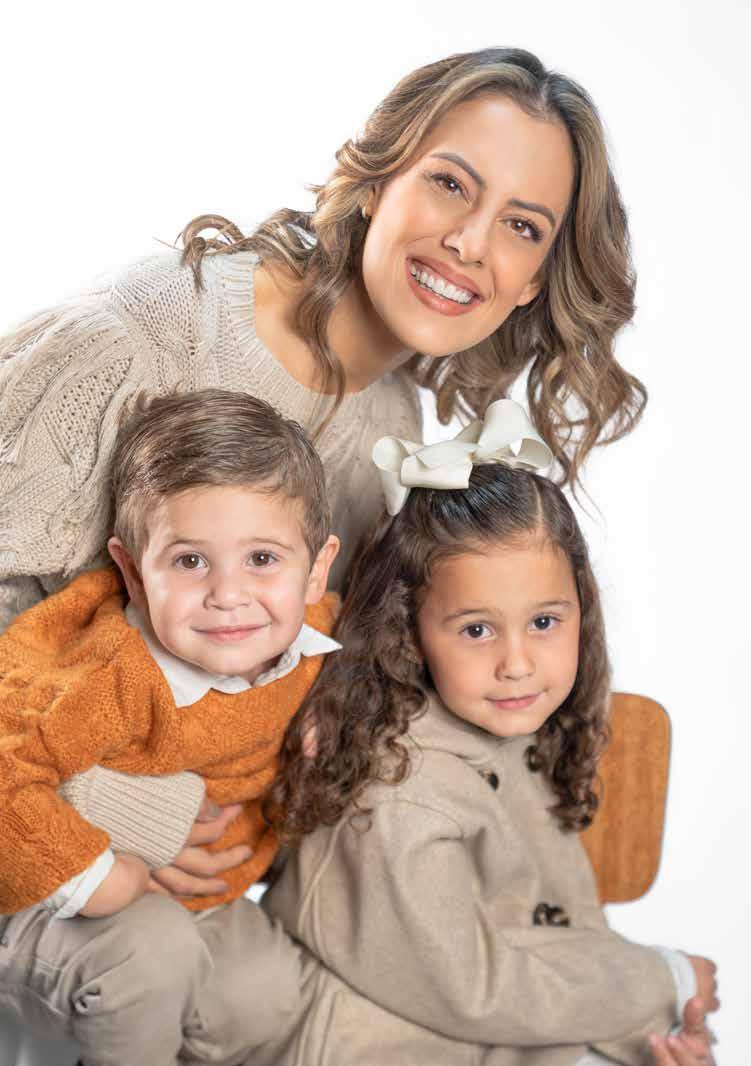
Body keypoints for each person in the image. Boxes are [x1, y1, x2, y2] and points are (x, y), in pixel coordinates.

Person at [1, 45, 644, 631]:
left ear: (534, 281)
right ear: (376, 182)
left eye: (522, 227)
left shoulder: (393, 435)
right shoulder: (149, 335)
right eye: (449, 184)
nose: (470, 243)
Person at [244, 400, 718, 1066]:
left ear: (580, 608)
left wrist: (655, 1034)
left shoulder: (518, 731)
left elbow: (551, 940)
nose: (516, 662)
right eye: (476, 629)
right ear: (408, 631)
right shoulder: (400, 790)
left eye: (544, 622)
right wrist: (660, 982)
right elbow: (476, 988)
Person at [0, 389, 339, 1066]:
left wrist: (334, 708)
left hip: (196, 896)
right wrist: (96, 877)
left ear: (314, 570)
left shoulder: (307, 636)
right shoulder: (109, 675)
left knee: (265, 993)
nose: (229, 594)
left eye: (262, 559)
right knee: (151, 957)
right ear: (132, 571)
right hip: (44, 894)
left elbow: (365, 632)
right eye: (189, 561)